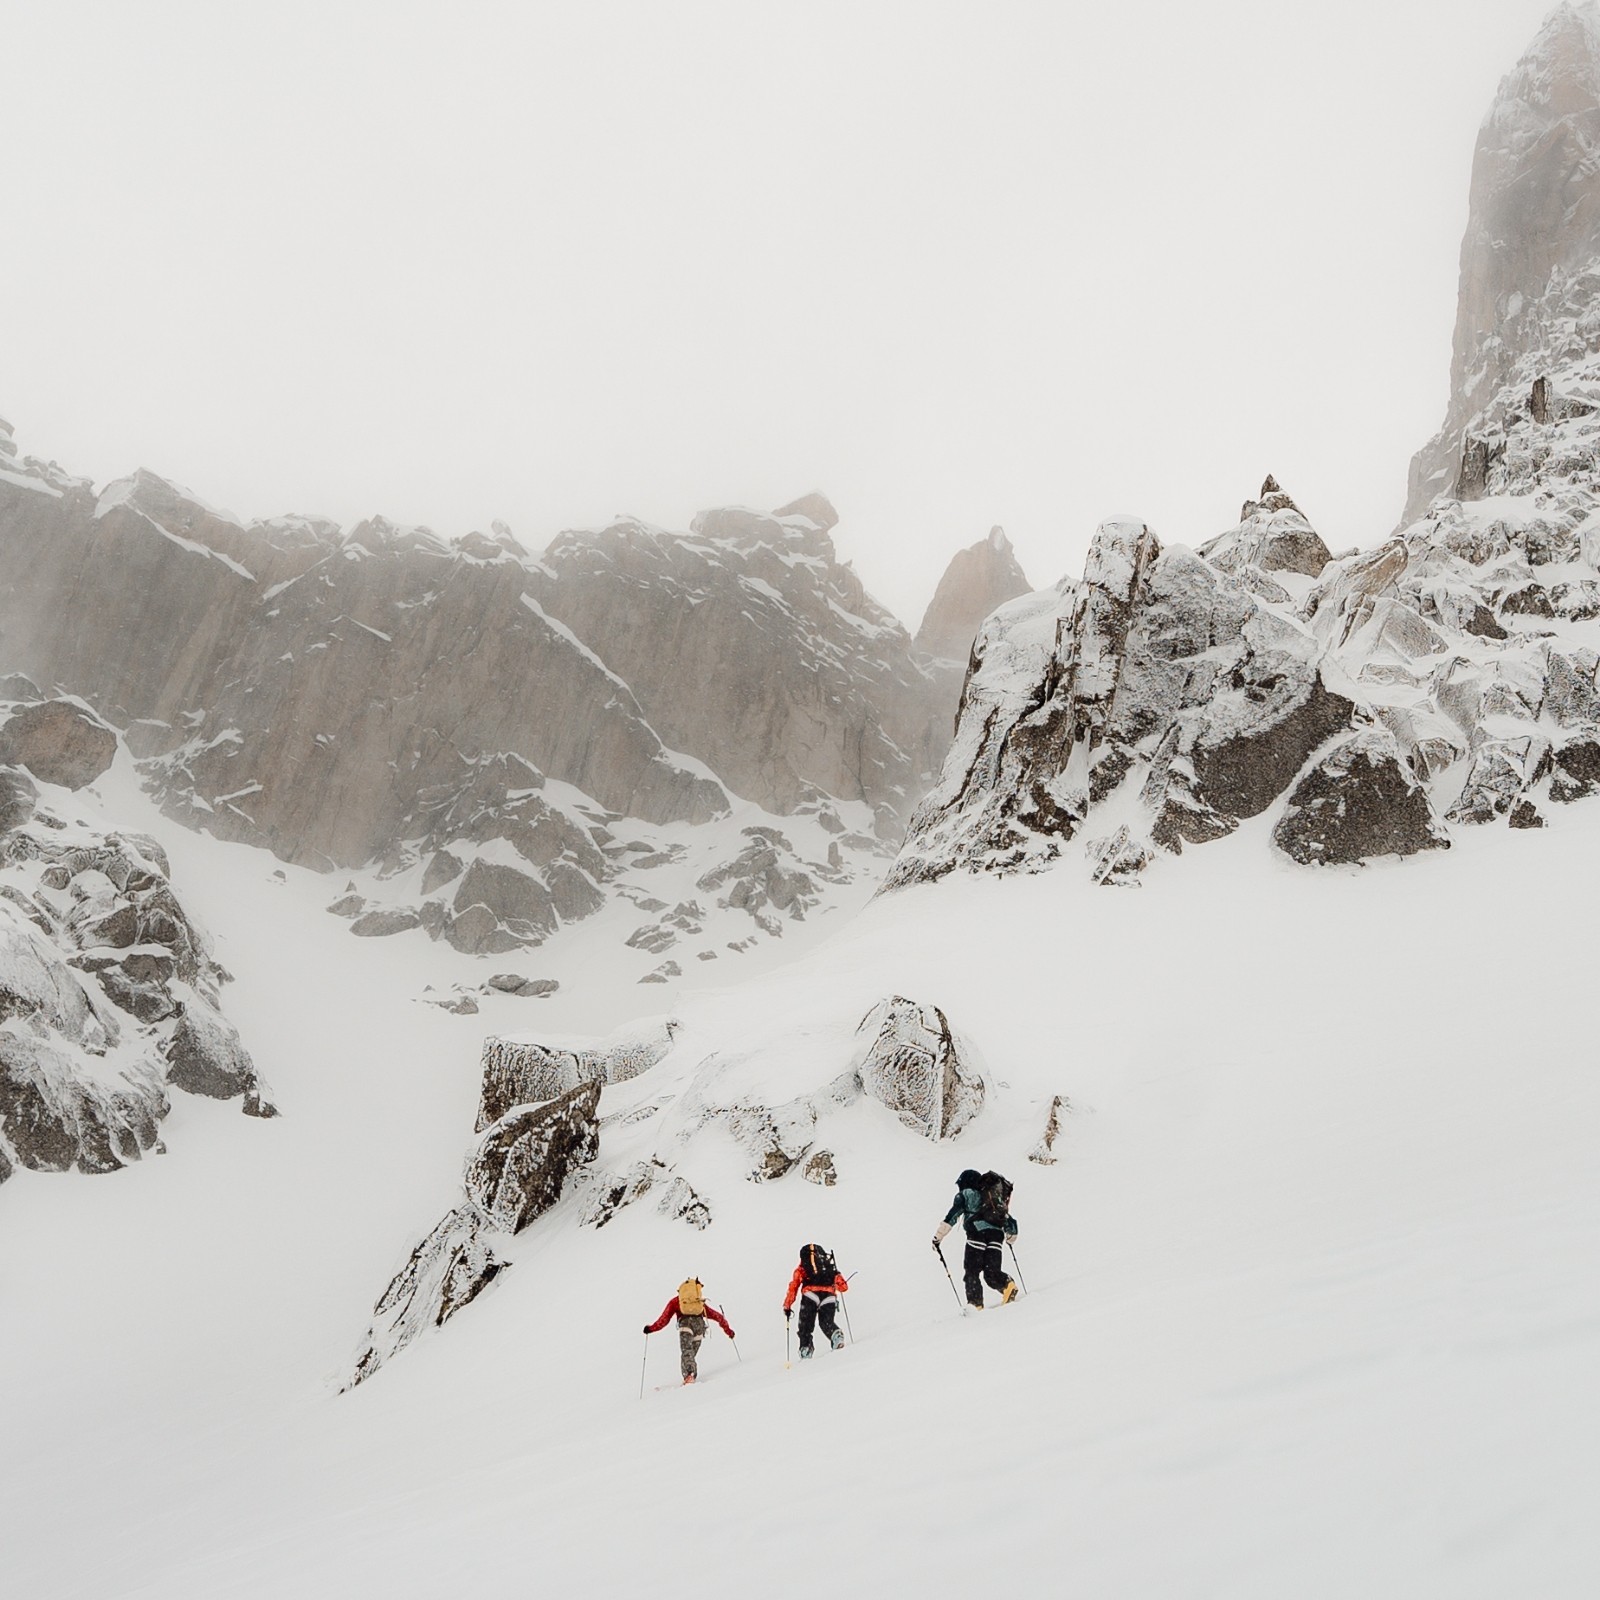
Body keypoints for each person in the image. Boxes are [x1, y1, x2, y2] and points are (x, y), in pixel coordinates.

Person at [933, 1168, 1018, 1310]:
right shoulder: (992, 1197)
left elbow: (952, 1217)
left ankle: (975, 1304)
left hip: (977, 1235)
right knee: (991, 1273)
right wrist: (1011, 1238)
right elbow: (1008, 1220)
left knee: (972, 1271)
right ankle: (1008, 1285)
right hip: (996, 1237)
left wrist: (938, 1237)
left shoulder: (966, 1194)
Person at [643, 1277, 735, 1385]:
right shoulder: (698, 1303)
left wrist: (651, 1328)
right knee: (690, 1354)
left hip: (685, 1325)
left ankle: (689, 1376)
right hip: (699, 1327)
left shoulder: (676, 1302)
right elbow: (717, 1316)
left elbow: (664, 1320)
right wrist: (729, 1331)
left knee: (686, 1351)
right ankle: (690, 1375)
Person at [782, 1243, 849, 1358]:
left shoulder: (802, 1268)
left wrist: (787, 1305)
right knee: (826, 1322)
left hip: (810, 1295)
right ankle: (836, 1335)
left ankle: (806, 1348)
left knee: (805, 1325)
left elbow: (793, 1286)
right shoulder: (829, 1266)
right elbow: (844, 1287)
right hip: (829, 1296)